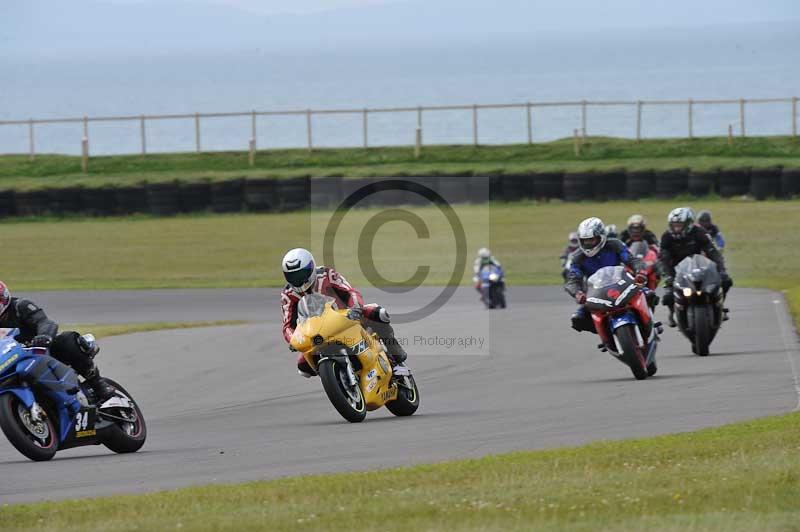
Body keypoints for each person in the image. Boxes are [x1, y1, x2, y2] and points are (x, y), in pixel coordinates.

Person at [280, 248, 408, 378]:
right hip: (316, 333)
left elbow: (350, 291)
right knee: (303, 366)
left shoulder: (326, 274)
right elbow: (288, 325)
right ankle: (337, 376)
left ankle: (397, 361)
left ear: (311, 267)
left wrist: (356, 308)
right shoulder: (288, 294)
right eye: (293, 276)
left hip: (346, 317)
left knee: (378, 313)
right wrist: (293, 340)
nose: (298, 280)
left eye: (302, 274)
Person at [0, 281, 115, 402]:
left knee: (67, 340)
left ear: (4, 297)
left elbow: (45, 322)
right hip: (10, 360)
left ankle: (97, 383)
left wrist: (44, 336)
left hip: (41, 351)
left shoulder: (20, 306)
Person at [564, 217, 648, 333]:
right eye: (585, 240)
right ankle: (606, 335)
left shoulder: (614, 245)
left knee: (649, 294)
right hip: (595, 292)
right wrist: (577, 293)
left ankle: (650, 324)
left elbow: (631, 260)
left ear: (602, 237)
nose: (588, 243)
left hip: (621, 283)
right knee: (578, 319)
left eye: (592, 240)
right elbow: (572, 279)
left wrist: (640, 271)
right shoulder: (577, 257)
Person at [658, 207, 733, 327]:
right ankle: (672, 312)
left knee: (726, 281)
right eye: (674, 225)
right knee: (668, 296)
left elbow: (713, 252)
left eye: (679, 225)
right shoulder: (666, 237)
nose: (676, 228)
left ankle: (719, 305)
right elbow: (663, 259)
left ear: (688, 224)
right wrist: (668, 276)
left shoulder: (700, 232)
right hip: (676, 270)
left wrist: (721, 270)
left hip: (699, 266)